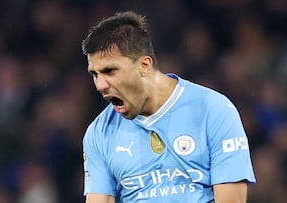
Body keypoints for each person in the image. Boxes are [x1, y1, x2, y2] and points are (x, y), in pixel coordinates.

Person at [81, 11, 256, 203]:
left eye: (110, 71)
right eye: (95, 74)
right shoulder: (99, 133)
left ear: (144, 65)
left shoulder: (213, 110)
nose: (100, 85)